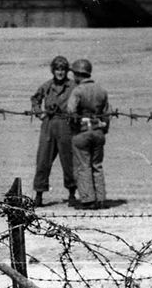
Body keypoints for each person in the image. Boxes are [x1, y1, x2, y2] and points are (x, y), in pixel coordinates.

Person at [29, 55, 76, 208]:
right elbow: (35, 99)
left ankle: (71, 194)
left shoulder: (73, 86)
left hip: (65, 124)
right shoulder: (47, 86)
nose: (60, 72)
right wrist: (39, 113)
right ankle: (39, 194)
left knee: (68, 160)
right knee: (43, 159)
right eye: (57, 69)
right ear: (53, 70)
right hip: (48, 124)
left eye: (63, 69)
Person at [64, 57, 110, 208]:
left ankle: (88, 199)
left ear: (78, 74)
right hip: (98, 131)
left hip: (82, 132)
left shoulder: (77, 91)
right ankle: (101, 198)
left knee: (83, 166)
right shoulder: (101, 90)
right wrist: (104, 130)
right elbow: (107, 113)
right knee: (97, 165)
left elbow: (71, 111)